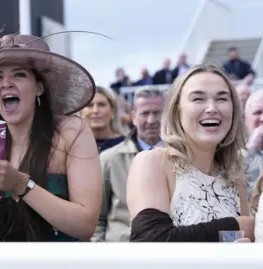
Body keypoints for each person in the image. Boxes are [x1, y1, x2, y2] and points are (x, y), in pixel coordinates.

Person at [0, 34, 102, 241]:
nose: (6, 84)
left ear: (39, 87)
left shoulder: (71, 132)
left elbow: (85, 226)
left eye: (19, 75)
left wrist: (20, 184)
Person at [127, 63, 253, 242]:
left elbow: (242, 236)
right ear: (176, 110)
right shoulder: (153, 162)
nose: (211, 108)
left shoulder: (235, 175)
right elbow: (150, 240)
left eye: (222, 99)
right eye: (198, 99)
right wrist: (233, 226)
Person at [92, 86, 164, 242]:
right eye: (145, 113)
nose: (151, 120)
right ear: (133, 116)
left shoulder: (183, 158)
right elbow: (98, 219)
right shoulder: (109, 159)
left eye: (157, 113)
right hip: (120, 252)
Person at [81, 86, 127, 153]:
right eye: (89, 105)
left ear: (112, 111)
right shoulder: (72, 145)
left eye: (101, 105)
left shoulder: (128, 145)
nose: (95, 111)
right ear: (81, 112)